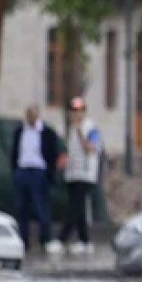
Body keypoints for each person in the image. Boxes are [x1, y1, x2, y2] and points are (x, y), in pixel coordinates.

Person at [9, 105, 65, 254]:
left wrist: (49, 172)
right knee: (21, 208)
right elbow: (15, 151)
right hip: (22, 171)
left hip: (39, 172)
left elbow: (52, 153)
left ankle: (45, 239)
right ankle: (23, 240)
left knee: (42, 207)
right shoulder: (20, 131)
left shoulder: (46, 132)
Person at [59, 97, 103, 254]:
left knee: (75, 207)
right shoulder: (71, 129)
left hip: (85, 174)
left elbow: (92, 148)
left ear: (84, 111)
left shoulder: (91, 128)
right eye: (74, 111)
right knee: (79, 209)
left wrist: (80, 134)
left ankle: (62, 238)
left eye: (79, 110)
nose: (76, 114)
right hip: (72, 173)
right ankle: (84, 241)